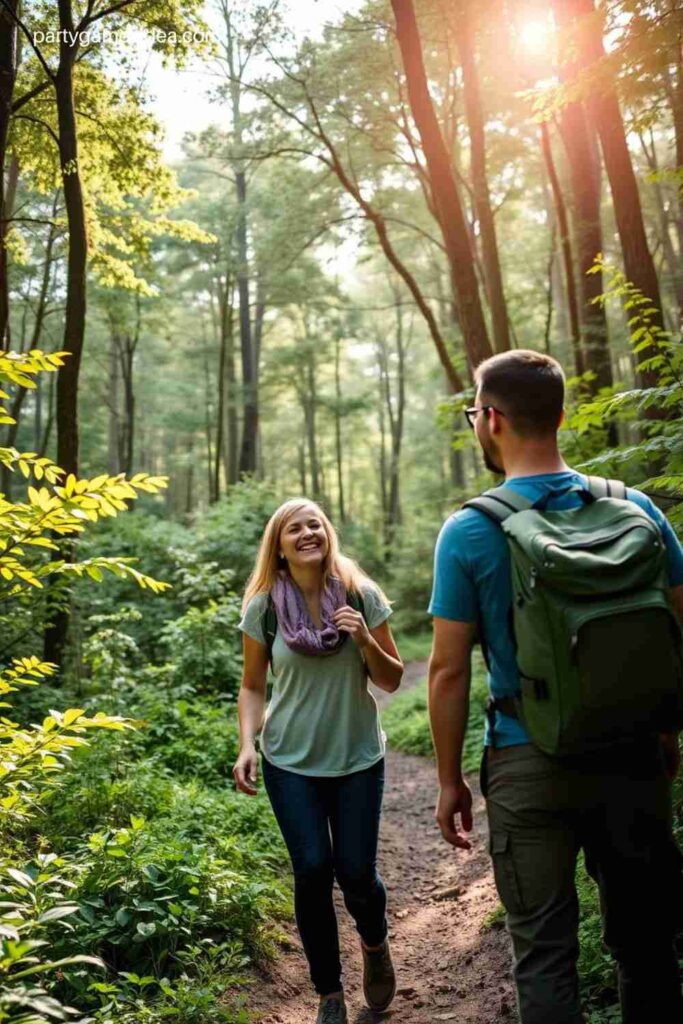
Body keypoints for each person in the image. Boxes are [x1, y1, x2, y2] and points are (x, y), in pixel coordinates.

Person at [428, 349, 683, 1024]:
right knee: (648, 947)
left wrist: (449, 778)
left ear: (489, 420)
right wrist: (664, 728)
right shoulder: (639, 511)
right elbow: (675, 633)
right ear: (561, 415)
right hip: (632, 755)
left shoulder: (469, 530)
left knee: (543, 955)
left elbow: (448, 669)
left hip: (524, 759)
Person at [233, 498, 403, 1024]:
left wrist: (364, 637)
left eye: (315, 525)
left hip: (356, 758)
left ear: (327, 534)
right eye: (294, 529)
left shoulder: (360, 593)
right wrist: (246, 743)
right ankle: (329, 993)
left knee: (356, 874)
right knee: (311, 870)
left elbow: (393, 678)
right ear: (279, 547)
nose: (307, 533)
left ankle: (374, 945)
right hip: (289, 760)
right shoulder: (264, 606)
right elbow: (252, 686)